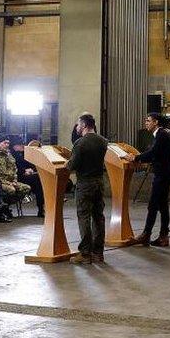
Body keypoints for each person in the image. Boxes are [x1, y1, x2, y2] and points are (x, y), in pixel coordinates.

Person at [65, 113, 108, 265]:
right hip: (99, 182)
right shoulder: (103, 141)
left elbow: (73, 165)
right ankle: (98, 253)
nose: (77, 127)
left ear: (83, 125)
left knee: (84, 216)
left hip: (85, 184)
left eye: (78, 124)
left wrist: (67, 163)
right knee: (98, 217)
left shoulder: (81, 143)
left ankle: (85, 253)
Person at [132, 113, 170, 247]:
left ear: (156, 122)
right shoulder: (160, 134)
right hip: (164, 173)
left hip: (162, 175)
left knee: (153, 205)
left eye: (148, 121)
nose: (146, 123)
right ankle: (163, 236)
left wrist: (136, 158)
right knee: (162, 205)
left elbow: (153, 153)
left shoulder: (161, 135)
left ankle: (146, 234)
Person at [19, 140, 45, 217]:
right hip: (24, 177)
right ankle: (41, 208)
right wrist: (25, 170)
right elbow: (20, 168)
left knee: (40, 182)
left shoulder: (40, 157)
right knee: (39, 182)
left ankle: (42, 208)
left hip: (34, 178)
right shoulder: (23, 156)